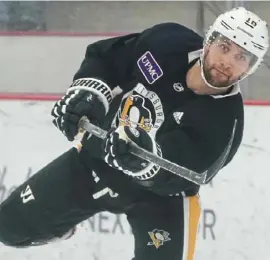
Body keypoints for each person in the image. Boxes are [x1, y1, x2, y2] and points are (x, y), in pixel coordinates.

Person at [0, 7, 268, 260]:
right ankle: (61, 224)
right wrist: (88, 94)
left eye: (241, 58)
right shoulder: (167, 42)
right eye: (224, 47)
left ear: (250, 68)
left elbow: (185, 171)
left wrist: (146, 163)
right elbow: (108, 58)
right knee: (8, 227)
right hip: (96, 162)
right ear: (209, 40)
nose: (227, 62)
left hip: (161, 202)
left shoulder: (225, 122)